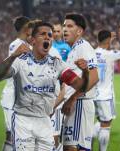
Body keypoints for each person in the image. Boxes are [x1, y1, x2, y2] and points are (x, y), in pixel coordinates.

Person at [0, 21, 90, 151]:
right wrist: (12, 56)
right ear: (32, 40)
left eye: (49, 35)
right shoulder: (20, 61)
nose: (47, 37)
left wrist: (85, 72)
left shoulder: (57, 64)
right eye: (42, 34)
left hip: (45, 122)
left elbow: (81, 86)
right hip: (23, 121)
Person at [61, 13, 99, 151]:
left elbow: (94, 77)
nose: (65, 29)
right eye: (64, 25)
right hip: (76, 105)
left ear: (79, 31)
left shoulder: (83, 46)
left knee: (71, 147)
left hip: (80, 105)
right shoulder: (73, 50)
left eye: (69, 26)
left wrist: (73, 98)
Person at [93, 28, 120, 151]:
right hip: (105, 95)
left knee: (100, 122)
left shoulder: (92, 53)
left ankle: (87, 140)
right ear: (109, 40)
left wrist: (107, 37)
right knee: (106, 125)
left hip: (93, 94)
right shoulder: (110, 55)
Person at [0, 16, 33, 151]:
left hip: (19, 97)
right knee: (12, 135)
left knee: (19, 136)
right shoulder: (17, 45)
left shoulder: (25, 45)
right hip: (12, 98)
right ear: (26, 28)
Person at [50, 21, 71, 151]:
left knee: (58, 128)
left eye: (59, 31)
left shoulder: (66, 47)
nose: (57, 34)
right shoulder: (46, 46)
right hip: (48, 88)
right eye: (55, 31)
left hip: (61, 88)